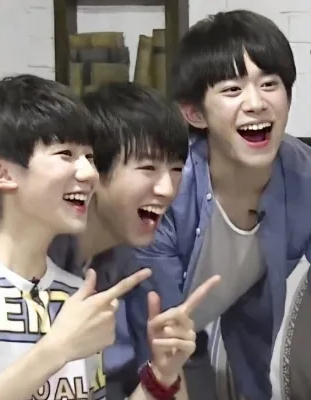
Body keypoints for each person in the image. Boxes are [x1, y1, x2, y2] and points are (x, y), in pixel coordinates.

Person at [0, 79, 219, 399]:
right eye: (66, 155)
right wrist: (56, 350)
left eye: (89, 158)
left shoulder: (78, 290)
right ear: (2, 172)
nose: (88, 173)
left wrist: (161, 374)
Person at [129, 9, 311, 400]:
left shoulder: (302, 177)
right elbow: (159, 333)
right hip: (126, 352)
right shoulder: (169, 191)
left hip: (195, 342)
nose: (256, 103)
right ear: (194, 113)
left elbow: (250, 323)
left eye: (270, 84)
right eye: (232, 90)